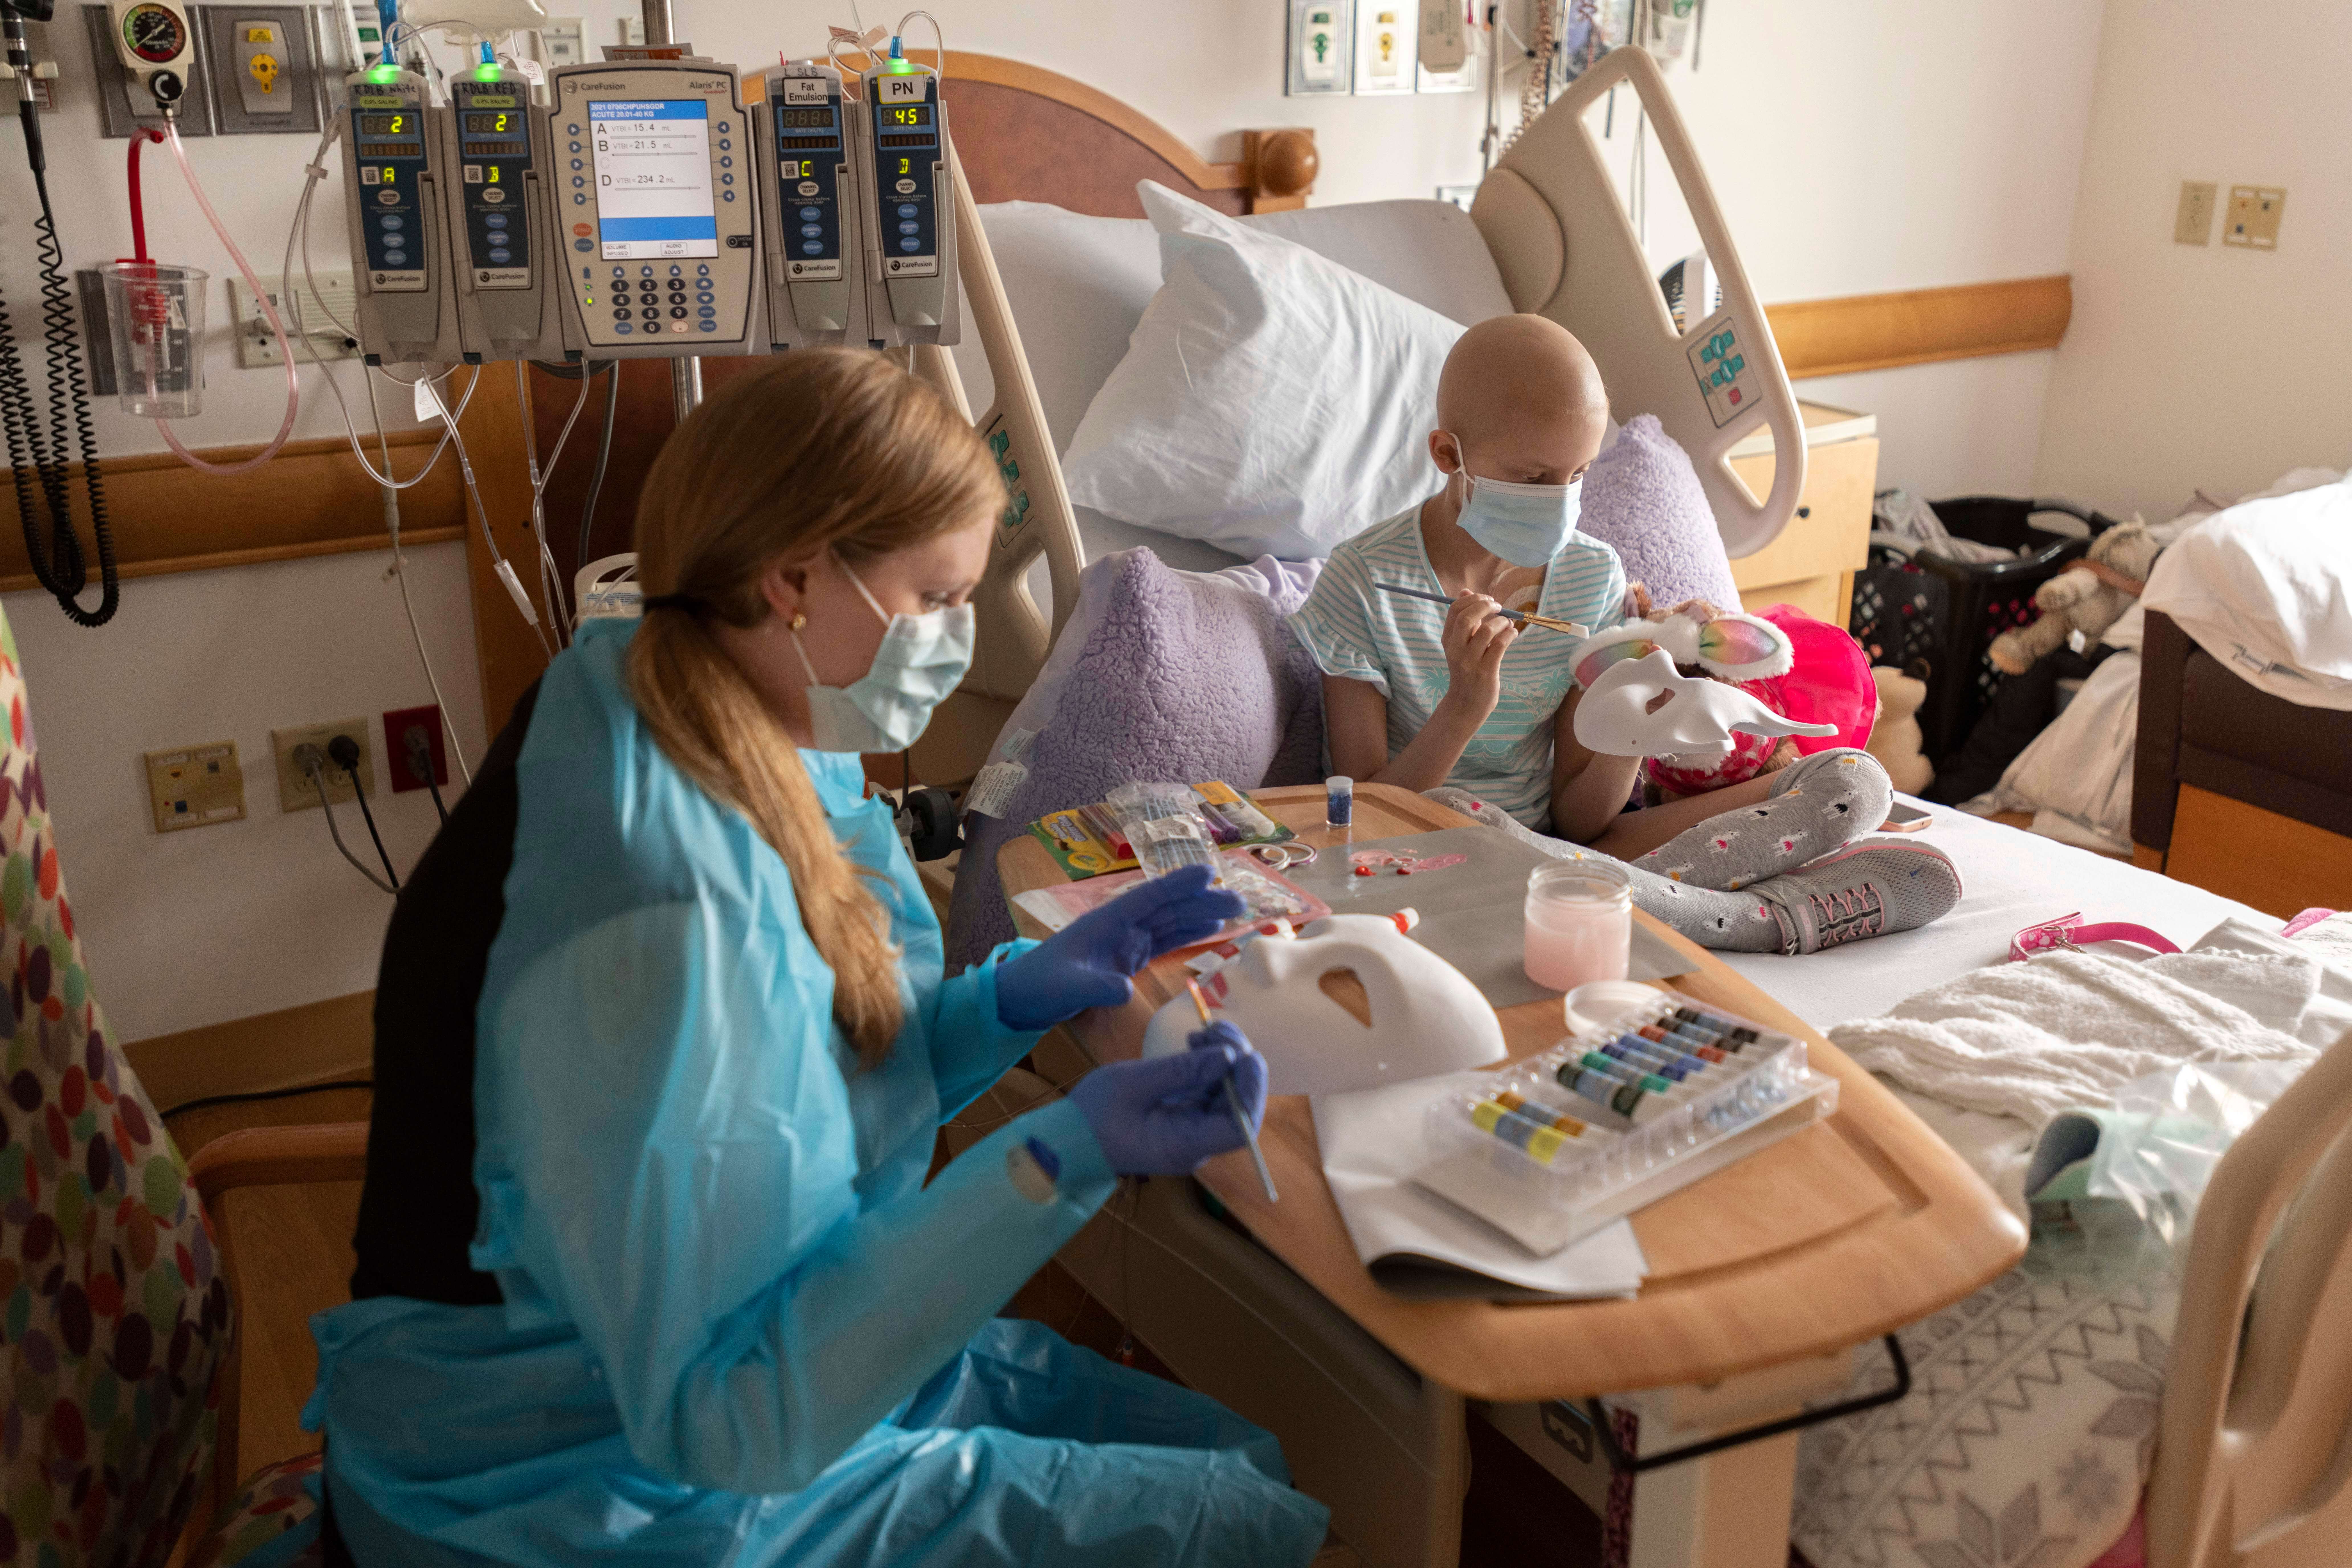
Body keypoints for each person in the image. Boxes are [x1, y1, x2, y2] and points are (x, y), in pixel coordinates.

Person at [305, 350, 1332, 1567]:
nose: (956, 640)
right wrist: (1061, 1152)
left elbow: (792, 1083)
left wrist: (1005, 1000)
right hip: (566, 1479)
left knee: (1236, 1461)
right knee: (1246, 1528)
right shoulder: (660, 904)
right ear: (795, 579)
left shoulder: (699, 697)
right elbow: (727, 1416)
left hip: (682, 1359)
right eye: (940, 597)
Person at [1289, 315, 1959, 953]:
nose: (1561, 499)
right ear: (1447, 454)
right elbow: (1363, 817)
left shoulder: (1590, 574)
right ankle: (1760, 916)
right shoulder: (1364, 582)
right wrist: (1464, 707)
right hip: (1417, 853)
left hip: (1561, 848)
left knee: (1854, 779)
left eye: (1576, 475)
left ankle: (1648, 902)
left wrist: (1635, 728)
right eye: (1533, 478)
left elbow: (1582, 822)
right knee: (1464, 812)